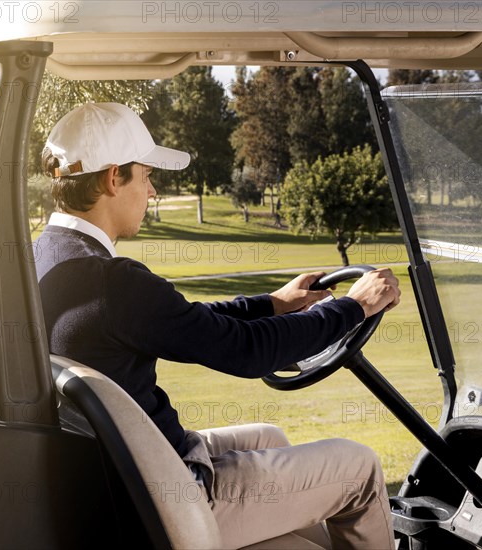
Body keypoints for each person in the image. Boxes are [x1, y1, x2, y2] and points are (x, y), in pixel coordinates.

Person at [34, 102, 401, 550]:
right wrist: (354, 307)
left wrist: (272, 303)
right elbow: (247, 352)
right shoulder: (112, 282)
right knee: (359, 467)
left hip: (131, 474)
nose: (152, 194)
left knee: (270, 437)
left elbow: (185, 320)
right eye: (148, 177)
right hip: (170, 500)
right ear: (114, 178)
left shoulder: (48, 257)